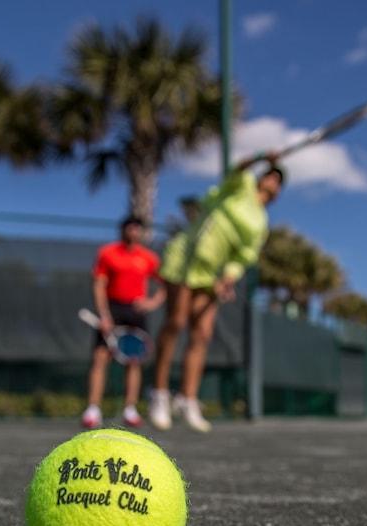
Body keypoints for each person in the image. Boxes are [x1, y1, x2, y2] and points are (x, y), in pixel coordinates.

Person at [149, 152, 285, 432]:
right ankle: (159, 395)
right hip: (186, 259)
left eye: (278, 180)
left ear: (279, 192)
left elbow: (242, 256)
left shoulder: (261, 223)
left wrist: (228, 278)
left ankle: (188, 399)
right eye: (271, 174)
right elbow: (238, 168)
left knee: (202, 334)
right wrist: (262, 156)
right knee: (175, 323)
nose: (272, 180)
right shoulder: (242, 185)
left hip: (211, 275)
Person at [81, 216, 164, 428]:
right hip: (112, 309)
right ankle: (92, 410)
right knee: (100, 357)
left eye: (138, 228)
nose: (133, 231)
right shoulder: (107, 253)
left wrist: (151, 303)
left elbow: (165, 285)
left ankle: (130, 409)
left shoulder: (149, 258)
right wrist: (105, 315)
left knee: (134, 361)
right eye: (130, 227)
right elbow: (99, 284)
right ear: (123, 230)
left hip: (136, 312)